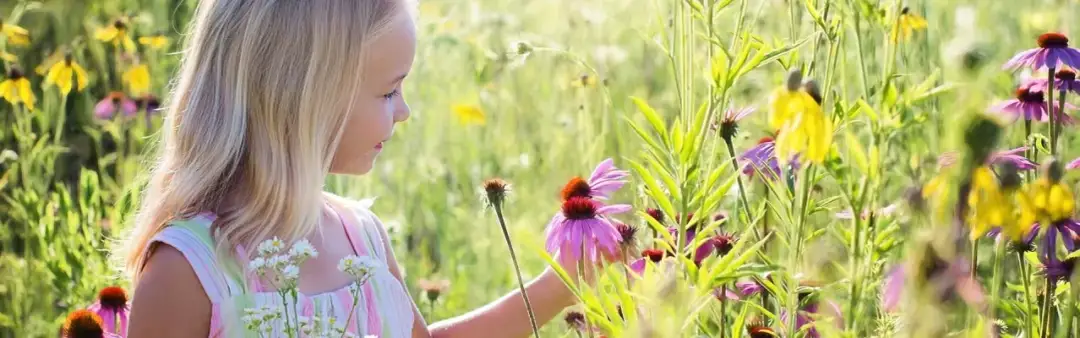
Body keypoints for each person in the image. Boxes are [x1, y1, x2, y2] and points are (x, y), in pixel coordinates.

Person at [121, 1, 598, 337]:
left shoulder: (361, 238)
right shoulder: (190, 272)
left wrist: (563, 283)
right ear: (305, 97)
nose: (405, 111)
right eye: (389, 92)